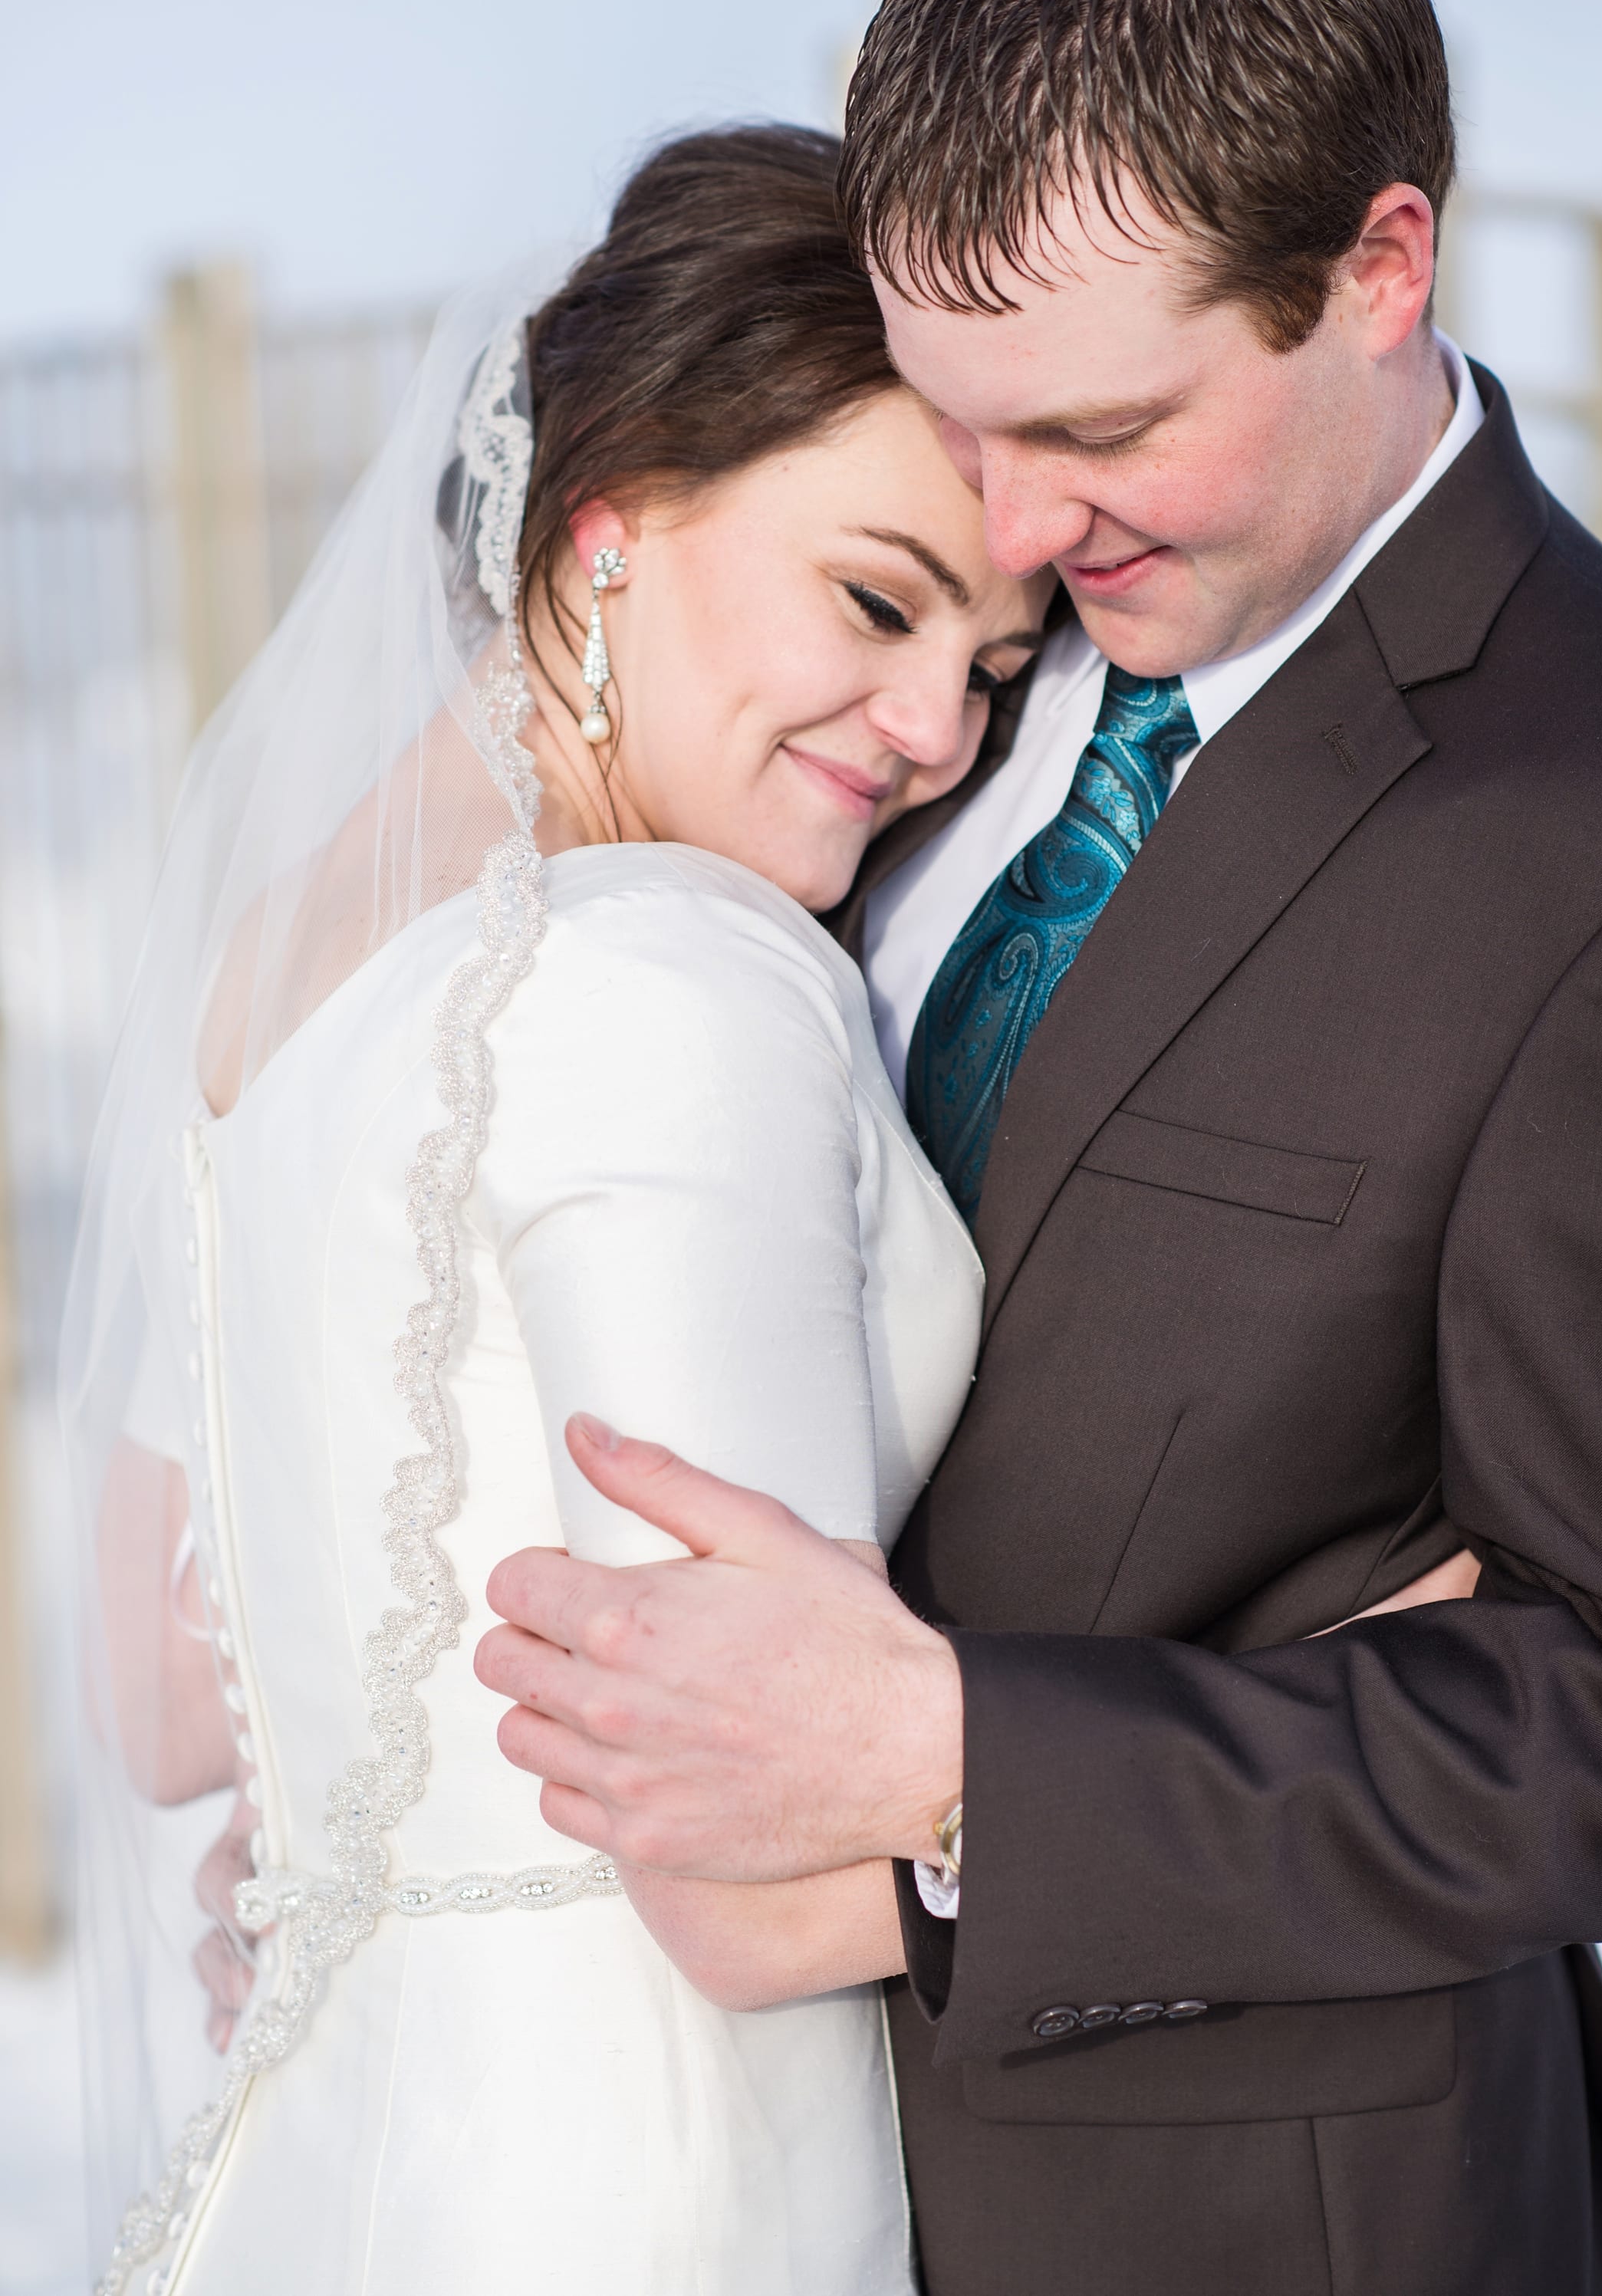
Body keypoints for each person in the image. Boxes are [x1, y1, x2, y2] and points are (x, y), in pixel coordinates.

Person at [475, 0, 1602, 2291]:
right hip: (717, 2177)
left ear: (1379, 269)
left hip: (1261, 2215)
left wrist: (953, 1772)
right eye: (959, 421)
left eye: (1095, 430)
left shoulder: (1579, 809)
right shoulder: (901, 704)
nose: (1005, 533)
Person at [69, 123, 1054, 2296]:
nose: (929, 728)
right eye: (876, 599)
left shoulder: (279, 967)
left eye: (994, 668)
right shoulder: (671, 969)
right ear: (608, 528)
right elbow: (744, 1829)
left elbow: (156, 1691)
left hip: (353, 2157)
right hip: (667, 2184)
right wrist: (1260, 1706)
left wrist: (389, 1815)